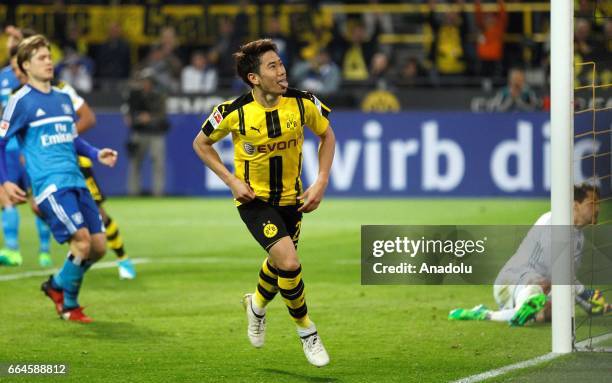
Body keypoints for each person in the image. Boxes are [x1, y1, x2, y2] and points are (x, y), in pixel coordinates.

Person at [193, 39, 335, 367]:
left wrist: (321, 180)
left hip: (292, 199)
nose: (282, 70)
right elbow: (201, 143)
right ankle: (307, 331)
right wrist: (231, 180)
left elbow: (327, 135)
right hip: (254, 200)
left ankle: (255, 305)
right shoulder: (232, 111)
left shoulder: (303, 103)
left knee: (279, 261)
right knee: (289, 261)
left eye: (281, 63)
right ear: (254, 78)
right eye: (272, 66)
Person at [0, 35, 118, 322]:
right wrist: (5, 181)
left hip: (75, 178)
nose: (49, 62)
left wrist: (95, 152)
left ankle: (57, 287)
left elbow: (71, 137)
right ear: (26, 65)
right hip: (49, 183)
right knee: (81, 242)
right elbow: (1, 141)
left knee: (99, 248)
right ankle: (69, 304)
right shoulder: (21, 101)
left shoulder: (64, 97)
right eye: (41, 58)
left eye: (49, 56)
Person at [449, 184, 610, 326]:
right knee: (544, 284)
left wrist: (590, 305)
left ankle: (486, 314)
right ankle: (521, 306)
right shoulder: (553, 221)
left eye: (599, 204)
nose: (597, 208)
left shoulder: (578, 236)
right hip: (511, 282)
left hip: (537, 288)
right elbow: (557, 272)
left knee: (555, 312)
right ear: (575, 205)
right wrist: (585, 293)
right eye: (592, 203)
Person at [0, 27, 52, 267]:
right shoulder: (3, 77)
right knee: (6, 198)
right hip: (8, 146)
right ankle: (13, 251)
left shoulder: (34, 83)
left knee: (37, 200)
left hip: (28, 148)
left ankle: (44, 251)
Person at [124, 69, 169, 197]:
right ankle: (133, 192)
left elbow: (162, 116)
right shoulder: (134, 95)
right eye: (143, 81)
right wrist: (130, 117)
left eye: (148, 81)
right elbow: (128, 110)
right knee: (135, 162)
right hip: (139, 132)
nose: (145, 84)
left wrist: (149, 117)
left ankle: (158, 192)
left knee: (158, 163)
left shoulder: (159, 95)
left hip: (156, 132)